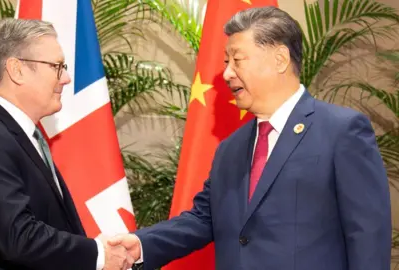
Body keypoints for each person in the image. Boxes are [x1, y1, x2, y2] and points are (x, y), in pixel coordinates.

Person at [109, 6, 392, 270]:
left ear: (280, 59)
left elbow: (367, 235)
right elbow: (203, 219)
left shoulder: (341, 131)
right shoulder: (230, 149)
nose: (227, 73)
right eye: (225, 61)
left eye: (237, 60)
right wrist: (142, 244)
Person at [0, 18, 133, 270]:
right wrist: (99, 254)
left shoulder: (20, 136)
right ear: (16, 70)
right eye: (57, 66)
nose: (66, 78)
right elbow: (17, 237)